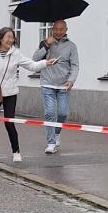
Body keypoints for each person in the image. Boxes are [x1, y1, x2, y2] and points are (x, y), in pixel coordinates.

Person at [0, 27, 54, 163]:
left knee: (9, 123)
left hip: (10, 93)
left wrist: (46, 63)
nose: (11, 40)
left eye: (12, 38)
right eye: (8, 37)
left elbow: (32, 66)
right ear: (0, 38)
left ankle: (16, 151)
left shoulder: (15, 54)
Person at [32, 19, 79, 154]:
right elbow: (35, 59)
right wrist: (46, 45)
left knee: (63, 113)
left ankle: (57, 133)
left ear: (66, 30)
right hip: (47, 83)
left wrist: (71, 80)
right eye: (56, 29)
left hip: (63, 85)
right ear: (52, 29)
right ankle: (51, 143)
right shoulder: (45, 43)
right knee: (49, 113)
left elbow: (75, 65)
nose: (58, 32)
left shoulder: (71, 46)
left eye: (61, 29)